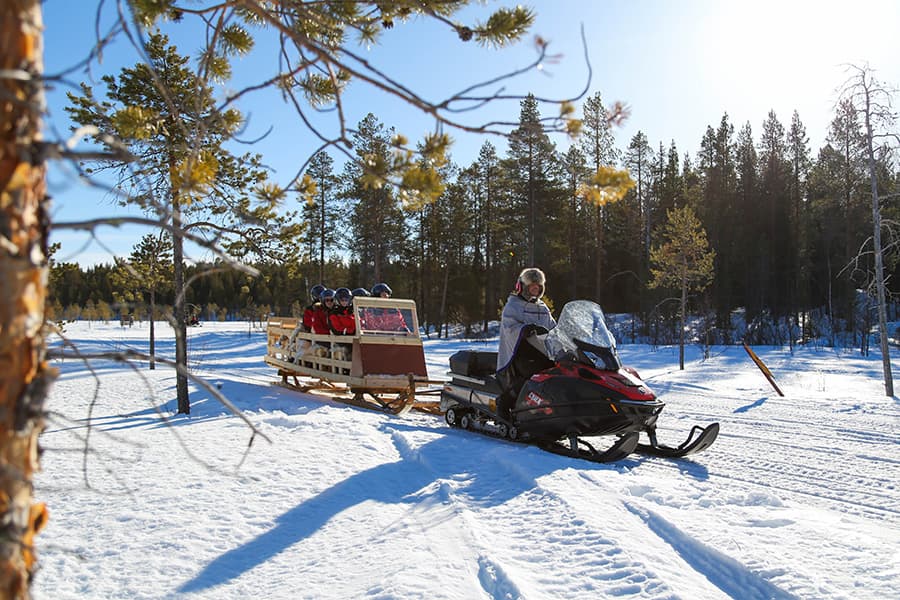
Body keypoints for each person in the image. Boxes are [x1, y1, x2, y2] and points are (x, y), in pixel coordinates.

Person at [495, 268, 556, 420]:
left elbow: (553, 327)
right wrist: (524, 329)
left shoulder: (542, 307)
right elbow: (509, 328)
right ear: (523, 287)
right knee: (531, 373)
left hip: (542, 350)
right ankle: (504, 402)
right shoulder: (513, 305)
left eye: (538, 287)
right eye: (532, 286)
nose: (535, 289)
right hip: (519, 351)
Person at [329, 287, 355, 361]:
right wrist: (352, 330)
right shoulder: (335, 313)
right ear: (338, 300)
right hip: (343, 340)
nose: (344, 302)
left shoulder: (353, 311)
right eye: (342, 300)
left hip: (356, 339)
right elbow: (337, 329)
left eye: (346, 299)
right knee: (348, 352)